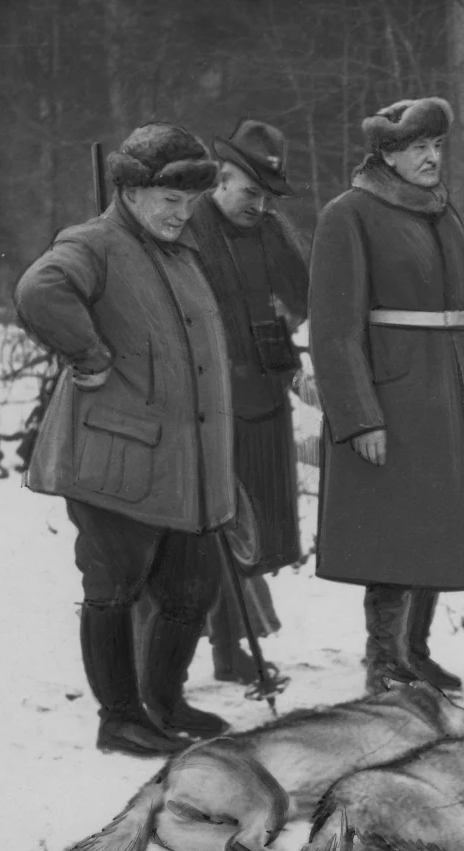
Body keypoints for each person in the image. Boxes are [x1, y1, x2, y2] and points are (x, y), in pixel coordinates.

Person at [14, 123, 233, 756]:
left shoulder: (180, 253)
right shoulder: (94, 244)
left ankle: (163, 704)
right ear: (131, 191)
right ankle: (120, 717)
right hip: (115, 460)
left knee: (194, 588)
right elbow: (38, 291)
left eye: (190, 198)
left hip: (184, 465)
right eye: (169, 198)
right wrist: (88, 354)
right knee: (113, 585)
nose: (182, 210)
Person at [309, 97, 464, 694]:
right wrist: (358, 418)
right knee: (395, 530)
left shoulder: (440, 210)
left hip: (451, 394)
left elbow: (461, 310)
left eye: (436, 146)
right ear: (388, 155)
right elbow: (333, 329)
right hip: (395, 397)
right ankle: (385, 662)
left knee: (435, 524)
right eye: (418, 148)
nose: (431, 158)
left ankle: (415, 652)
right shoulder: (348, 215)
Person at [189, 119, 310, 684]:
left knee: (251, 535)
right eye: (249, 191)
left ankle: (230, 650)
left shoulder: (273, 231)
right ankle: (194, 657)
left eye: (266, 195)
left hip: (264, 397)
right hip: (206, 405)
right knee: (205, 531)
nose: (257, 205)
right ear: (221, 178)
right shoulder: (188, 227)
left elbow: (307, 295)